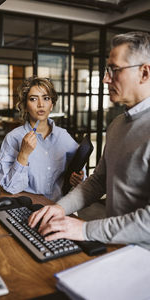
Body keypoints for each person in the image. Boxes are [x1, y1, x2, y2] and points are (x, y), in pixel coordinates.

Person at [29, 31, 150, 250]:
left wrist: (84, 230)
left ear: (144, 73)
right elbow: (98, 181)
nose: (105, 79)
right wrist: (60, 208)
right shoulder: (117, 125)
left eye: (114, 70)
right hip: (116, 248)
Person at [0, 76, 86, 202]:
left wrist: (78, 177)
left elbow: (80, 169)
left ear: (52, 104)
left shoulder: (63, 136)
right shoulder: (13, 138)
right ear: (25, 106)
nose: (40, 104)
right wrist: (23, 154)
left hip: (59, 207)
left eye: (46, 98)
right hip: (27, 207)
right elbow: (11, 188)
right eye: (33, 99)